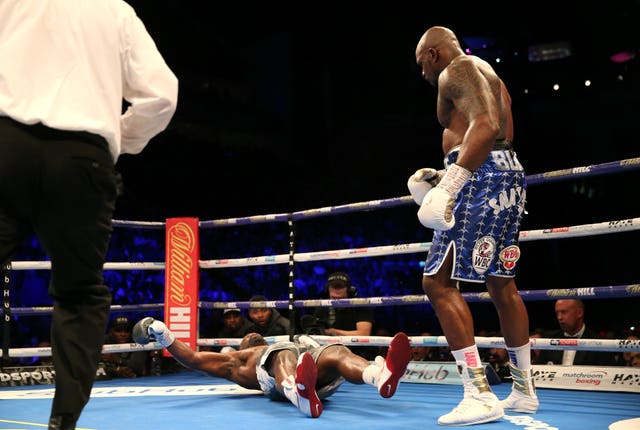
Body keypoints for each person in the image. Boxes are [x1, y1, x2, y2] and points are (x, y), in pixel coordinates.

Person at [0, 1, 178, 428]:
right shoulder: (114, 11)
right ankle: (63, 421)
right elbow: (161, 94)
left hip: (8, 146)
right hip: (83, 158)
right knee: (80, 295)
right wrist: (117, 139)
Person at [411, 26, 536, 426]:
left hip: (479, 177)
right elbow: (495, 130)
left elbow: (486, 126)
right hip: (503, 175)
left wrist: (450, 185)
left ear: (433, 54)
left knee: (437, 283)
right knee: (501, 284)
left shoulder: (457, 69)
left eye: (421, 65)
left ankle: (479, 394)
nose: (423, 75)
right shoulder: (485, 71)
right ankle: (523, 391)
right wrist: (443, 170)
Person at [131, 317, 412, 418]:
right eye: (247, 338)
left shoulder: (290, 343)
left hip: (317, 379)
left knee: (335, 352)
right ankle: (297, 393)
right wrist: (162, 333)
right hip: (282, 382)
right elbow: (192, 358)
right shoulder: (238, 360)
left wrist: (309, 344)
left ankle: (378, 375)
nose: (251, 336)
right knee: (282, 353)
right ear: (242, 345)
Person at [534, 299, 617, 366]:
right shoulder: (549, 339)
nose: (559, 317)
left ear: (579, 313)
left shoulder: (600, 342)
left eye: (564, 312)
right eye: (557, 313)